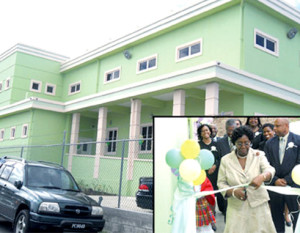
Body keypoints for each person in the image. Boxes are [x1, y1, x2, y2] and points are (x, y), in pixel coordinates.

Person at [217, 126, 276, 233]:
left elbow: (270, 169)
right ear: (234, 143)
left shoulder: (259, 155)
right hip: (236, 207)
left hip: (258, 205)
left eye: (247, 143)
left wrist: (262, 177)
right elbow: (221, 183)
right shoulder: (225, 160)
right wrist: (234, 192)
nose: (243, 146)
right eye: (239, 143)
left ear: (250, 142)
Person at [265, 118, 300, 233]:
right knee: (276, 216)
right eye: (274, 126)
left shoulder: (298, 140)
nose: (274, 128)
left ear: (286, 126)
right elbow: (266, 164)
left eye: (277, 126)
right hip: (275, 187)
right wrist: (275, 180)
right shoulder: (269, 143)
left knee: (296, 215)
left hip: (293, 185)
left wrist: (287, 179)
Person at [216, 119, 236, 216]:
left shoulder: (241, 141)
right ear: (226, 129)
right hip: (226, 176)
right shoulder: (220, 142)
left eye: (233, 130)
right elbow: (218, 158)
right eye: (229, 130)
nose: (231, 133)